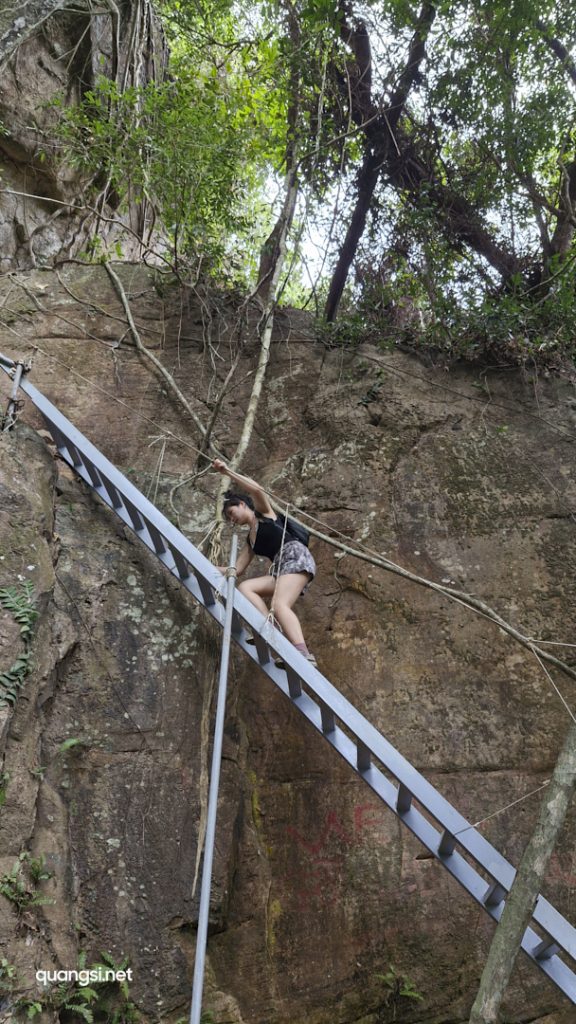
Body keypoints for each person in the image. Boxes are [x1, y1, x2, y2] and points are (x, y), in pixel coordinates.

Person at [212, 459, 317, 667]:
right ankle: (268, 628)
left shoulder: (264, 514)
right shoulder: (250, 540)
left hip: (295, 556)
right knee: (246, 586)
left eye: (232, 513)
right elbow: (237, 570)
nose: (232, 520)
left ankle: (303, 654)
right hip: (281, 567)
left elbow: (257, 490)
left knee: (279, 604)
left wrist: (227, 472)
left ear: (242, 505)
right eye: (229, 518)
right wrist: (206, 565)